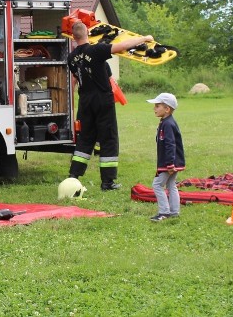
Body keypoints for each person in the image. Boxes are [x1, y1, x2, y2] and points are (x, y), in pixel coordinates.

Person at [62, 21, 153, 192]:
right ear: (87, 33)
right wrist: (144, 38)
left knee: (85, 139)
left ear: (73, 37)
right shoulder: (96, 50)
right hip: (102, 99)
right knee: (108, 138)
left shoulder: (71, 57)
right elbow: (122, 46)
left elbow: (75, 78)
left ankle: (73, 177)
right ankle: (108, 182)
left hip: (85, 100)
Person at [147, 93, 185, 222]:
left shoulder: (168, 124)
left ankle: (164, 212)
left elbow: (170, 144)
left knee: (157, 185)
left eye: (157, 106)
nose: (154, 109)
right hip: (172, 162)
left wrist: (169, 164)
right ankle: (174, 212)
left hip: (169, 163)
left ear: (167, 109)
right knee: (171, 185)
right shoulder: (166, 122)